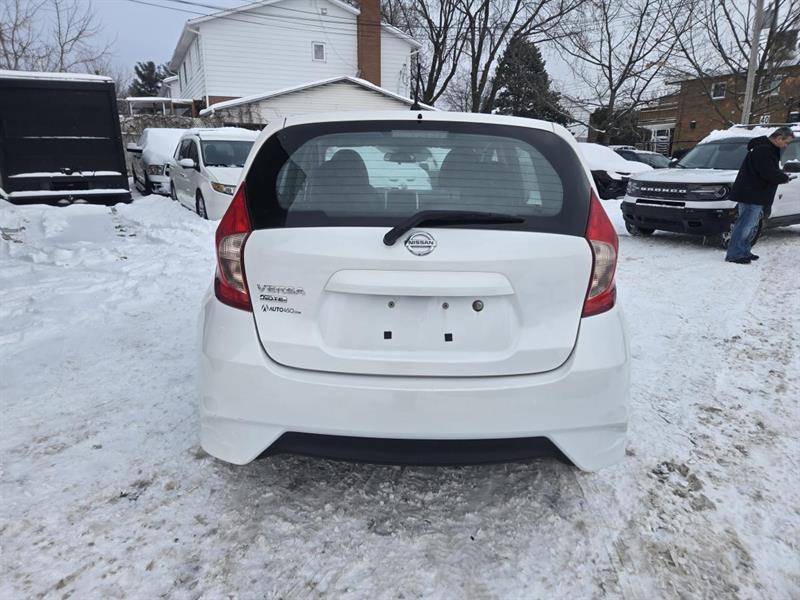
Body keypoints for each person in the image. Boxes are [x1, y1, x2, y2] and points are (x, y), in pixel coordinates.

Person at [726, 126, 796, 264]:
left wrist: (780, 175)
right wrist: (783, 178)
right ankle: (735, 254)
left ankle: (744, 250)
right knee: (745, 225)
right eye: (786, 142)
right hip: (751, 193)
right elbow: (767, 172)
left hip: (755, 193)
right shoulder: (764, 150)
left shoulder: (765, 148)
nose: (786, 145)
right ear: (778, 138)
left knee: (750, 225)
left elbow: (767, 170)